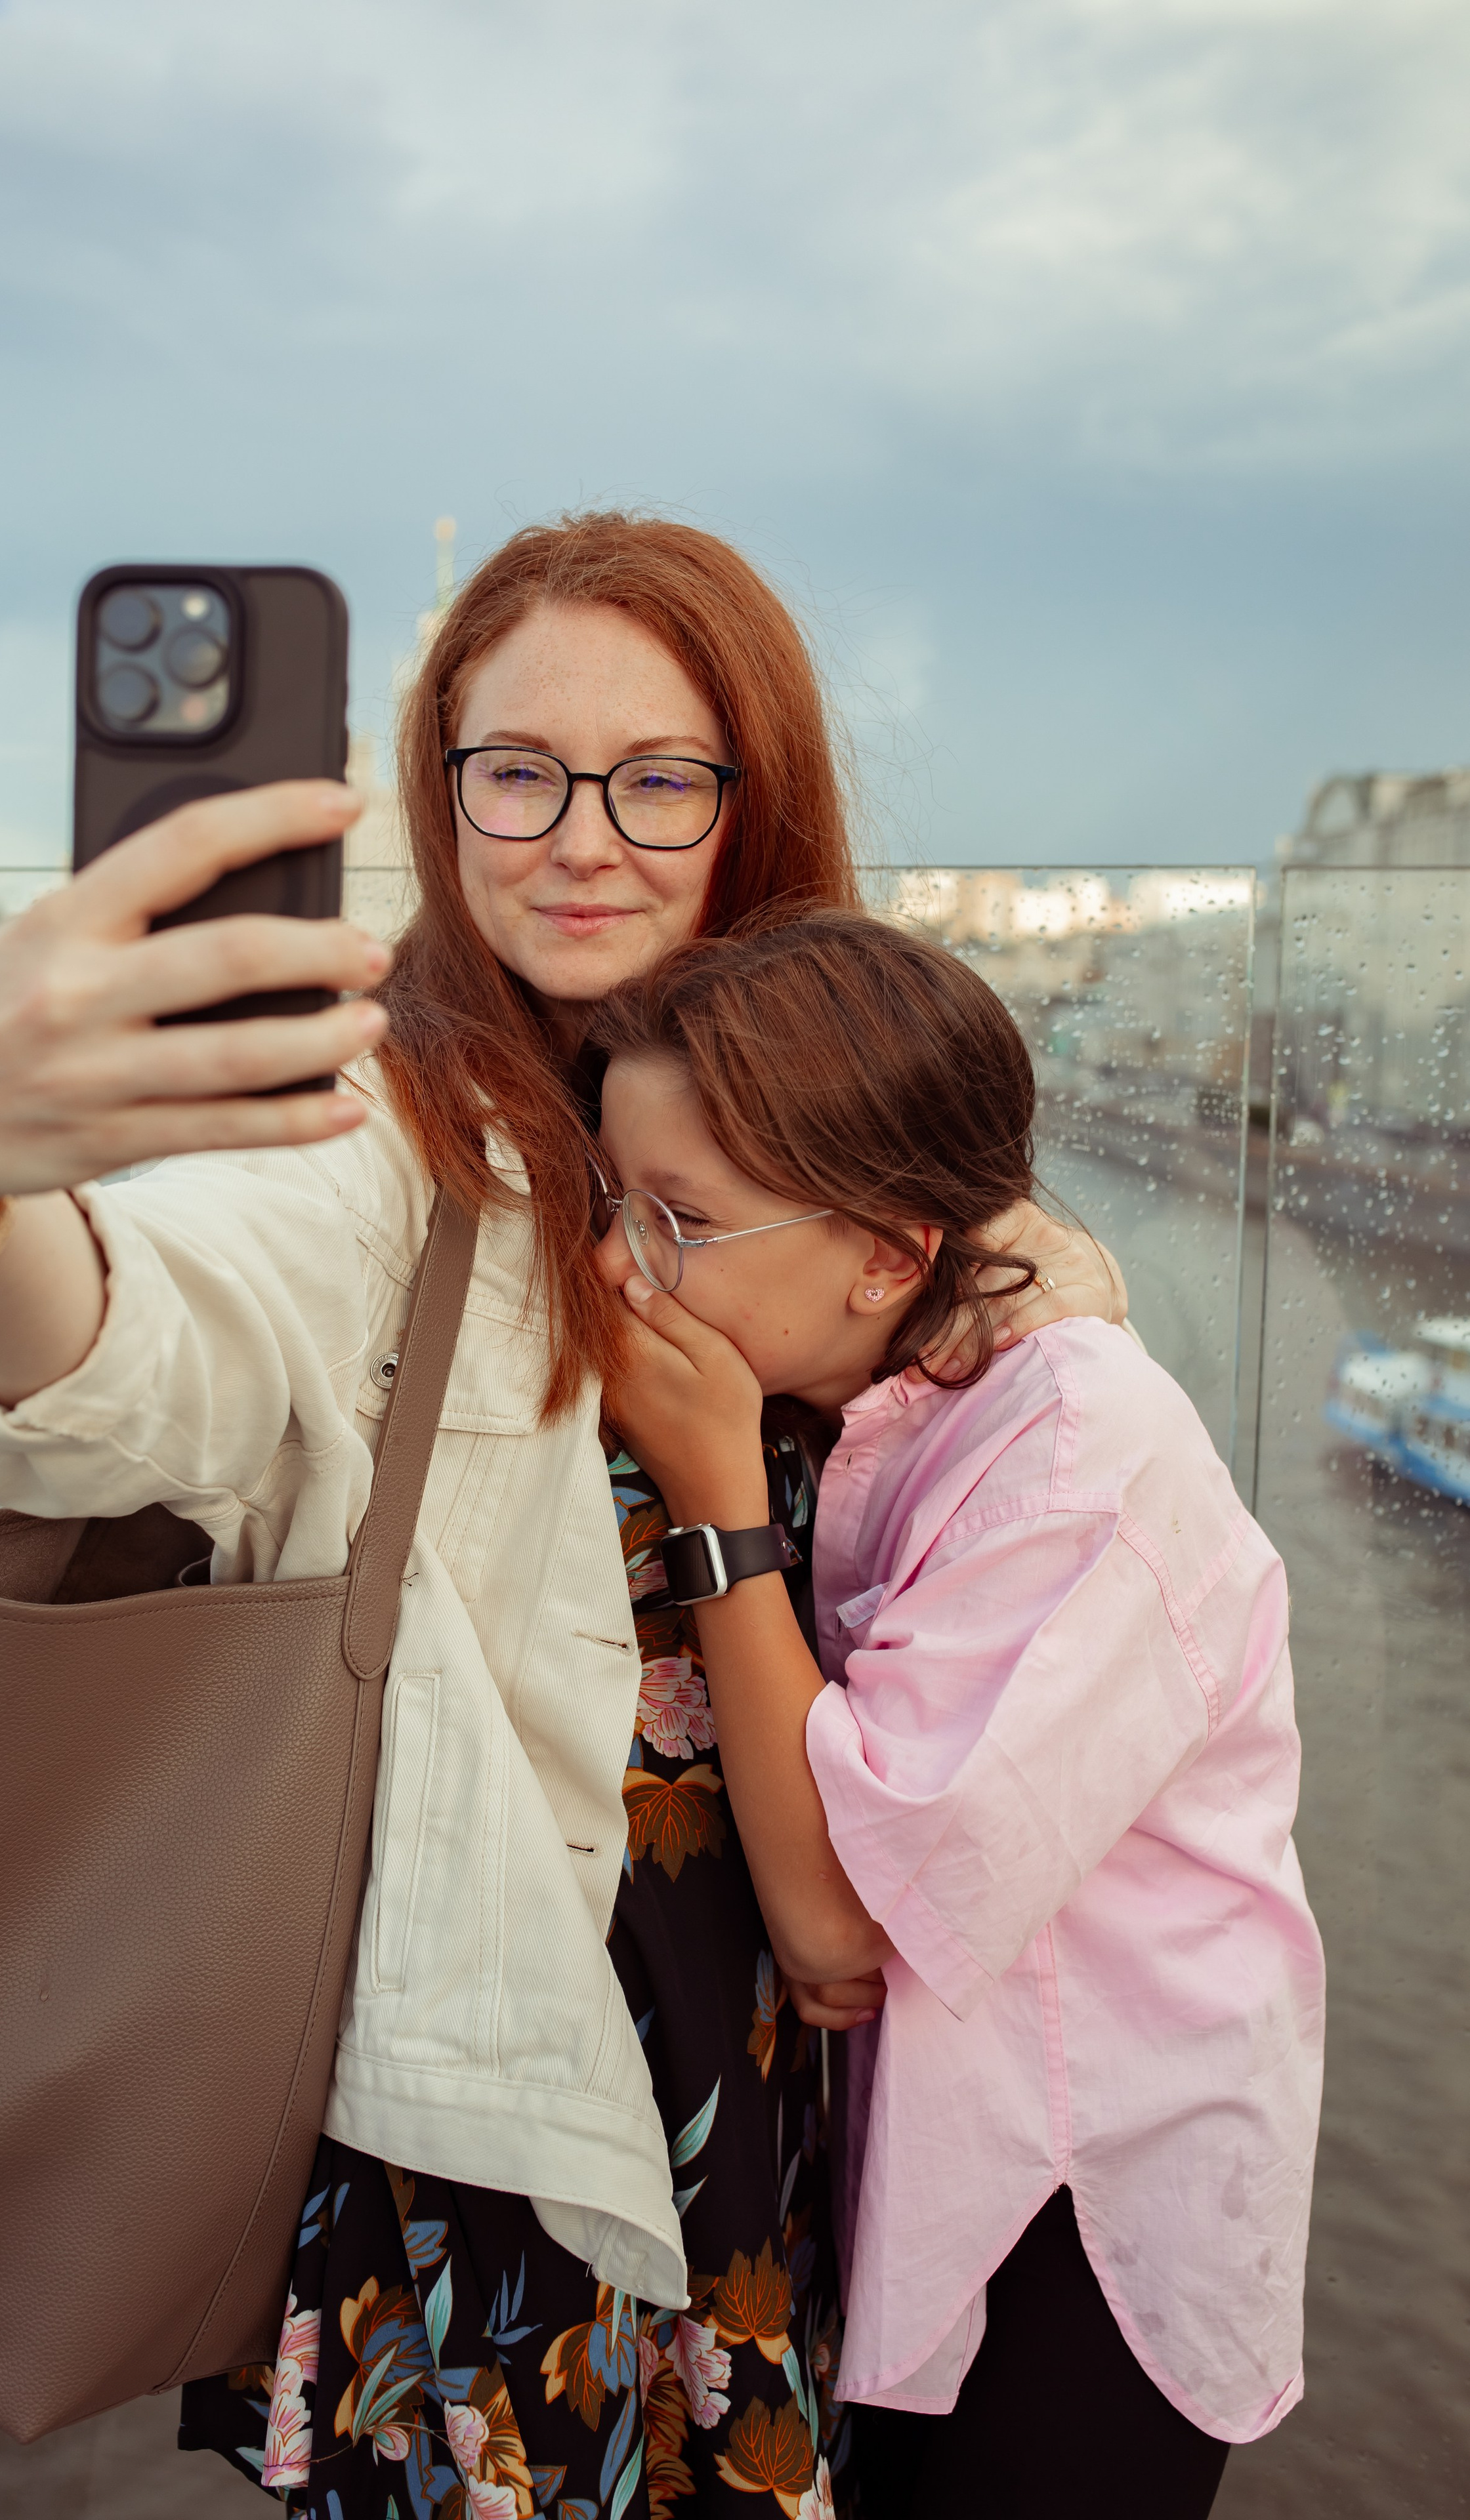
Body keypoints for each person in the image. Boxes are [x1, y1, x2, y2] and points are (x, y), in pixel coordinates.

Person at [0, 514, 1126, 2519]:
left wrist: (1001, 1243)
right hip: (509, 2086)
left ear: (751, 805)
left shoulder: (827, 1144)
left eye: (661, 778)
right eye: (516, 771)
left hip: (784, 2053)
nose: (581, 839)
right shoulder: (377, 1137)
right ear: (440, 794)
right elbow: (133, 1351)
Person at [588, 909, 1325, 2520]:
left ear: (886, 1251)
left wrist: (715, 1495)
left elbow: (842, 1918)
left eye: (676, 1219)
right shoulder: (878, 1379)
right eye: (612, 1199)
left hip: (1090, 2183)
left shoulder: (1074, 1454)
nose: (615, 1265)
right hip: (944, 2138)